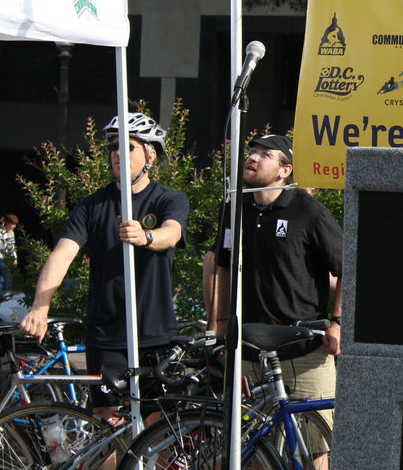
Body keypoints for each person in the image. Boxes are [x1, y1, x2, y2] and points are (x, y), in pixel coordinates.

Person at [20, 112, 189, 422]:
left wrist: (146, 235)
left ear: (151, 154)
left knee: (157, 426)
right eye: (113, 147)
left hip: (154, 333)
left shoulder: (169, 199)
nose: (117, 154)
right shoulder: (92, 205)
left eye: (129, 146)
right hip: (106, 335)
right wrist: (39, 308)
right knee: (108, 424)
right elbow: (62, 255)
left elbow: (172, 233)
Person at [209, 134, 342, 470]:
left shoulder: (308, 210)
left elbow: (348, 270)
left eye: (265, 154)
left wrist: (338, 322)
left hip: (306, 352)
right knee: (254, 450)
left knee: (315, 453)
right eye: (252, 152)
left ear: (286, 170)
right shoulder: (234, 206)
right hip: (251, 351)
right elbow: (222, 265)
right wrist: (221, 323)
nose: (253, 158)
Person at [0, 214, 19, 293]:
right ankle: (6, 293)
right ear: (8, 223)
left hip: (7, 259)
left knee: (0, 277)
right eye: (13, 224)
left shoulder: (12, 233)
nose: (14, 226)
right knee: (8, 275)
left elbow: (12, 246)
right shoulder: (0, 232)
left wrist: (15, 258)